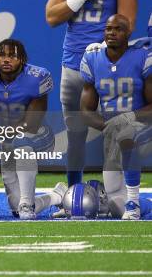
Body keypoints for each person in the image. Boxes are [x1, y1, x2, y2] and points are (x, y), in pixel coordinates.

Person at [45, 0, 137, 191]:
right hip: (73, 60)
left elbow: (127, 21)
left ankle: (125, 193)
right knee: (75, 133)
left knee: (121, 128)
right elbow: (51, 17)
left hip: (107, 61)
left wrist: (106, 49)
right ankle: (74, 192)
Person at [0, 39, 66, 220]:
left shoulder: (36, 78)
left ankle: (27, 202)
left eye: (13, 56)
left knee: (21, 141)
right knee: (16, 209)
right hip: (8, 141)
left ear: (22, 60)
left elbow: (30, 125)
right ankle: (57, 195)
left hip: (39, 138)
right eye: (2, 55)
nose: (6, 60)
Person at [80, 14, 152, 220]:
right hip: (111, 131)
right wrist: (109, 126)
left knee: (126, 134)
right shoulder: (93, 59)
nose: (112, 33)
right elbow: (85, 110)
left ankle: (133, 203)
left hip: (141, 125)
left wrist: (128, 117)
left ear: (128, 32)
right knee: (114, 204)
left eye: (118, 29)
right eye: (108, 28)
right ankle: (139, 204)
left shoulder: (142, 57)